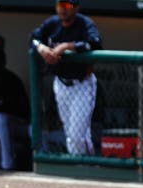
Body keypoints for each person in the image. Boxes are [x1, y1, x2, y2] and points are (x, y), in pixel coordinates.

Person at [30, 0, 102, 156]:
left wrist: (67, 46)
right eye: (59, 5)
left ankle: (82, 166)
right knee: (71, 134)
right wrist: (41, 47)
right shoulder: (52, 23)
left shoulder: (85, 24)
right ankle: (87, 165)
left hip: (82, 84)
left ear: (76, 8)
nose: (62, 9)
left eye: (67, 5)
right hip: (61, 84)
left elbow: (95, 43)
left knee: (76, 135)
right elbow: (33, 38)